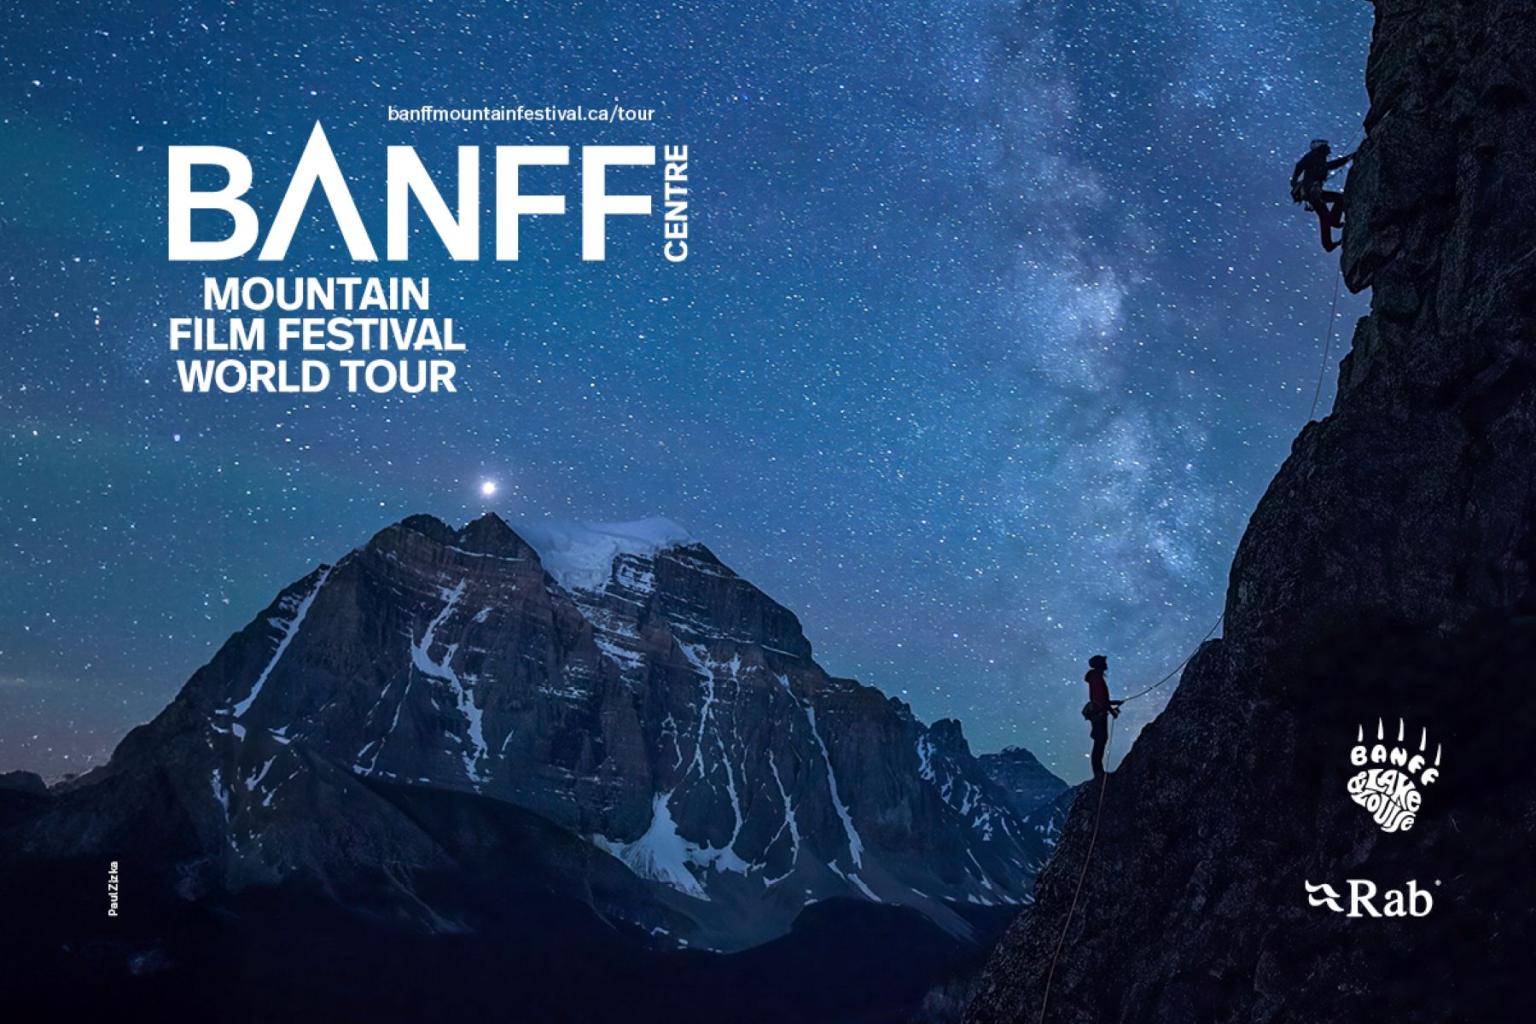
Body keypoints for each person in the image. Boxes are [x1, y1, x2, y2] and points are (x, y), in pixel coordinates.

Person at [1291, 139, 1355, 252]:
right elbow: (1300, 165)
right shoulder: (1315, 155)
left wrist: (1348, 158)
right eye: (1326, 146)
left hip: (1312, 192)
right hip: (1312, 192)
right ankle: (1329, 237)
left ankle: (1331, 233)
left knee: (1332, 205)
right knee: (1330, 208)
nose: (1329, 148)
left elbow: (1329, 165)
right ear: (1321, 147)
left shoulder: (1318, 157)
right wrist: (1295, 179)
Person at [1084, 654, 1122, 781]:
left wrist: (1112, 704)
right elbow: (1100, 698)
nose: (1106, 665)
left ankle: (1098, 772)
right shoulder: (1096, 677)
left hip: (1097, 713)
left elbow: (1099, 698)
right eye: (1104, 662)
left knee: (1100, 740)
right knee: (1101, 740)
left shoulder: (1095, 677)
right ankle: (1098, 772)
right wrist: (1111, 710)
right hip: (1099, 714)